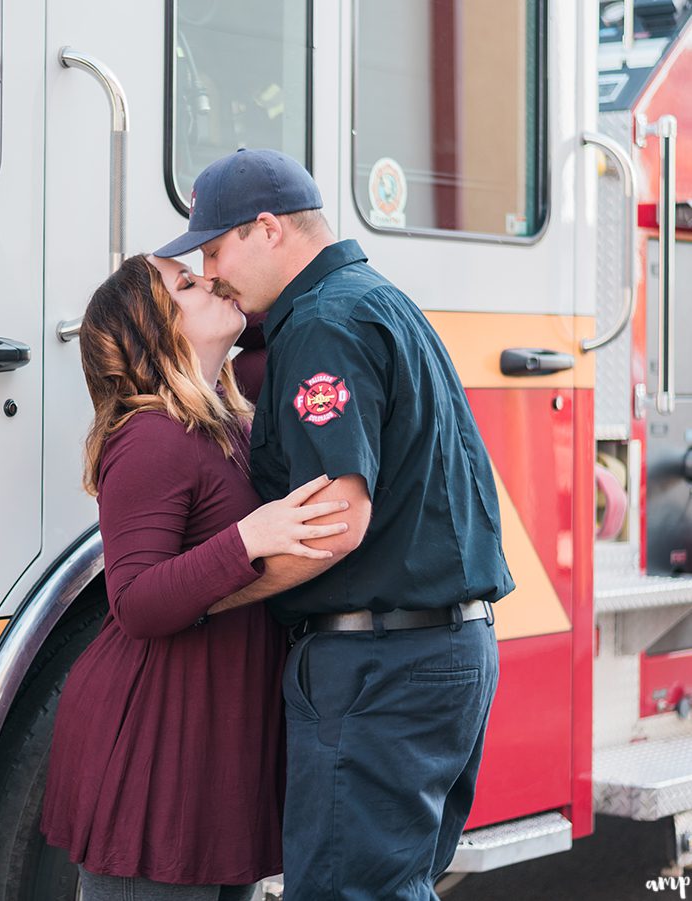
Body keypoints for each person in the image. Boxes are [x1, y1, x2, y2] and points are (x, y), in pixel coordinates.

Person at [155, 148, 514, 900]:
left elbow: (336, 522)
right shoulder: (375, 299)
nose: (213, 272)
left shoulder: (322, 323)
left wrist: (208, 595)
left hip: (380, 666)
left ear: (266, 229)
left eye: (215, 249)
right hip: (440, 652)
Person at [41, 253, 351, 901]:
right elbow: (136, 601)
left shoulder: (225, 422)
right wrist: (249, 538)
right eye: (187, 283)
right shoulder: (151, 436)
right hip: (154, 757)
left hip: (210, 754)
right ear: (155, 330)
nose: (211, 280)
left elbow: (278, 330)